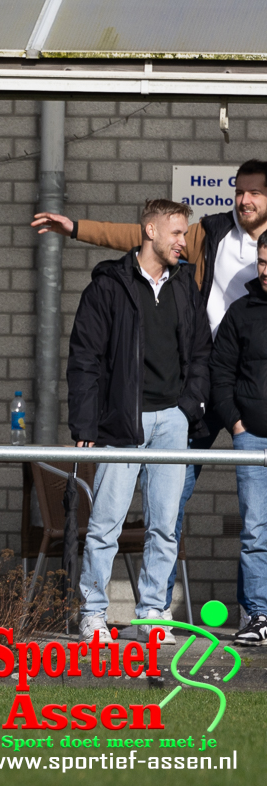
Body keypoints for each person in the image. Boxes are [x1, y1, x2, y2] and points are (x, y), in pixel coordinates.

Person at [34, 160, 267, 610]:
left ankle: (205, 613)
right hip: (173, 401)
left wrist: (186, 402)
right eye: (240, 191)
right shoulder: (211, 233)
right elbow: (134, 237)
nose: (245, 200)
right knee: (144, 514)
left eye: (254, 192)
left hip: (213, 391)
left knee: (240, 520)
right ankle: (103, 611)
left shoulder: (181, 284)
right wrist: (77, 227)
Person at [67, 199, 211, 644]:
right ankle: (92, 612)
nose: (183, 242)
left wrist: (188, 408)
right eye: (176, 233)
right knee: (105, 524)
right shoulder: (108, 286)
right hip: (120, 424)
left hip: (172, 422)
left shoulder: (185, 286)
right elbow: (84, 360)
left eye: (183, 234)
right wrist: (85, 428)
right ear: (150, 231)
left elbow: (202, 352)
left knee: (165, 525)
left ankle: (153, 614)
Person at [208, 231, 267, 645]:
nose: (266, 271)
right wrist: (237, 425)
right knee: (255, 532)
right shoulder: (241, 312)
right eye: (263, 262)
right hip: (253, 439)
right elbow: (220, 374)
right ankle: (259, 617)